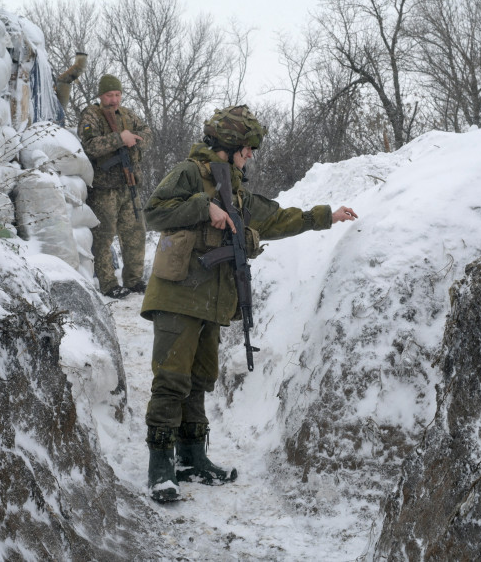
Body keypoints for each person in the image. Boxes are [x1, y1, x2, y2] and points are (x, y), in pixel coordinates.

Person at [140, 105, 358, 503]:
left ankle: (191, 458)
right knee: (171, 381)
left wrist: (326, 215)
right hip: (177, 296)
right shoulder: (190, 173)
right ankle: (160, 467)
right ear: (230, 145)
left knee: (199, 381)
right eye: (248, 147)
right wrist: (203, 208)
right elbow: (153, 212)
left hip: (210, 299)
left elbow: (275, 219)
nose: (252, 155)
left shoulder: (235, 189)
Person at [78, 74, 152, 299]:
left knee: (135, 232)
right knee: (104, 236)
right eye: (110, 95)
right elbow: (89, 146)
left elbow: (147, 133)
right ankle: (108, 283)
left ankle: (134, 280)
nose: (114, 99)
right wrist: (119, 139)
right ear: (101, 95)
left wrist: (135, 140)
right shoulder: (91, 115)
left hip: (128, 185)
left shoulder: (128, 115)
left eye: (118, 94)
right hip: (103, 189)